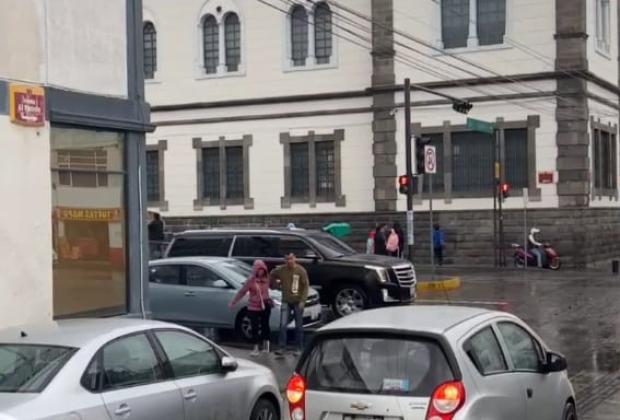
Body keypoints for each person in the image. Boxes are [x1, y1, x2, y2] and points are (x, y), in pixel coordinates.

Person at [229, 260, 273, 356]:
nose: (260, 272)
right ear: (255, 270)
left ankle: (266, 346)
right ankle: (255, 347)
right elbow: (242, 292)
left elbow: (270, 290)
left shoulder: (267, 279)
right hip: (253, 306)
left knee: (265, 325)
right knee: (254, 327)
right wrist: (233, 302)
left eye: (262, 270)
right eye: (258, 270)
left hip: (265, 305)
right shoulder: (251, 280)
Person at [270, 254, 309, 357]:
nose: (289, 261)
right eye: (287, 259)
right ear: (285, 260)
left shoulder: (301, 270)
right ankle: (282, 348)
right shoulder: (281, 270)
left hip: (297, 300)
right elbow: (272, 274)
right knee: (283, 325)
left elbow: (305, 287)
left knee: (298, 326)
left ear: (295, 259)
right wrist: (276, 285)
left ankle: (299, 348)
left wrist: (302, 301)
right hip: (286, 300)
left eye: (291, 259)